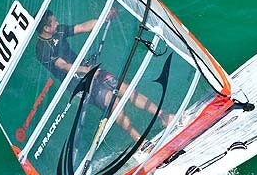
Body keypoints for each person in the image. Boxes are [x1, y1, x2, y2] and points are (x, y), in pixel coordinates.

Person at [35, 9, 172, 143]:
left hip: (91, 70)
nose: (57, 22)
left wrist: (104, 18)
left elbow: (82, 27)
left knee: (126, 89)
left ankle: (164, 116)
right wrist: (86, 70)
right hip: (78, 85)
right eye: (54, 22)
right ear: (46, 28)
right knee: (114, 102)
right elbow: (64, 66)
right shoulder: (42, 49)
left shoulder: (59, 31)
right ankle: (140, 141)